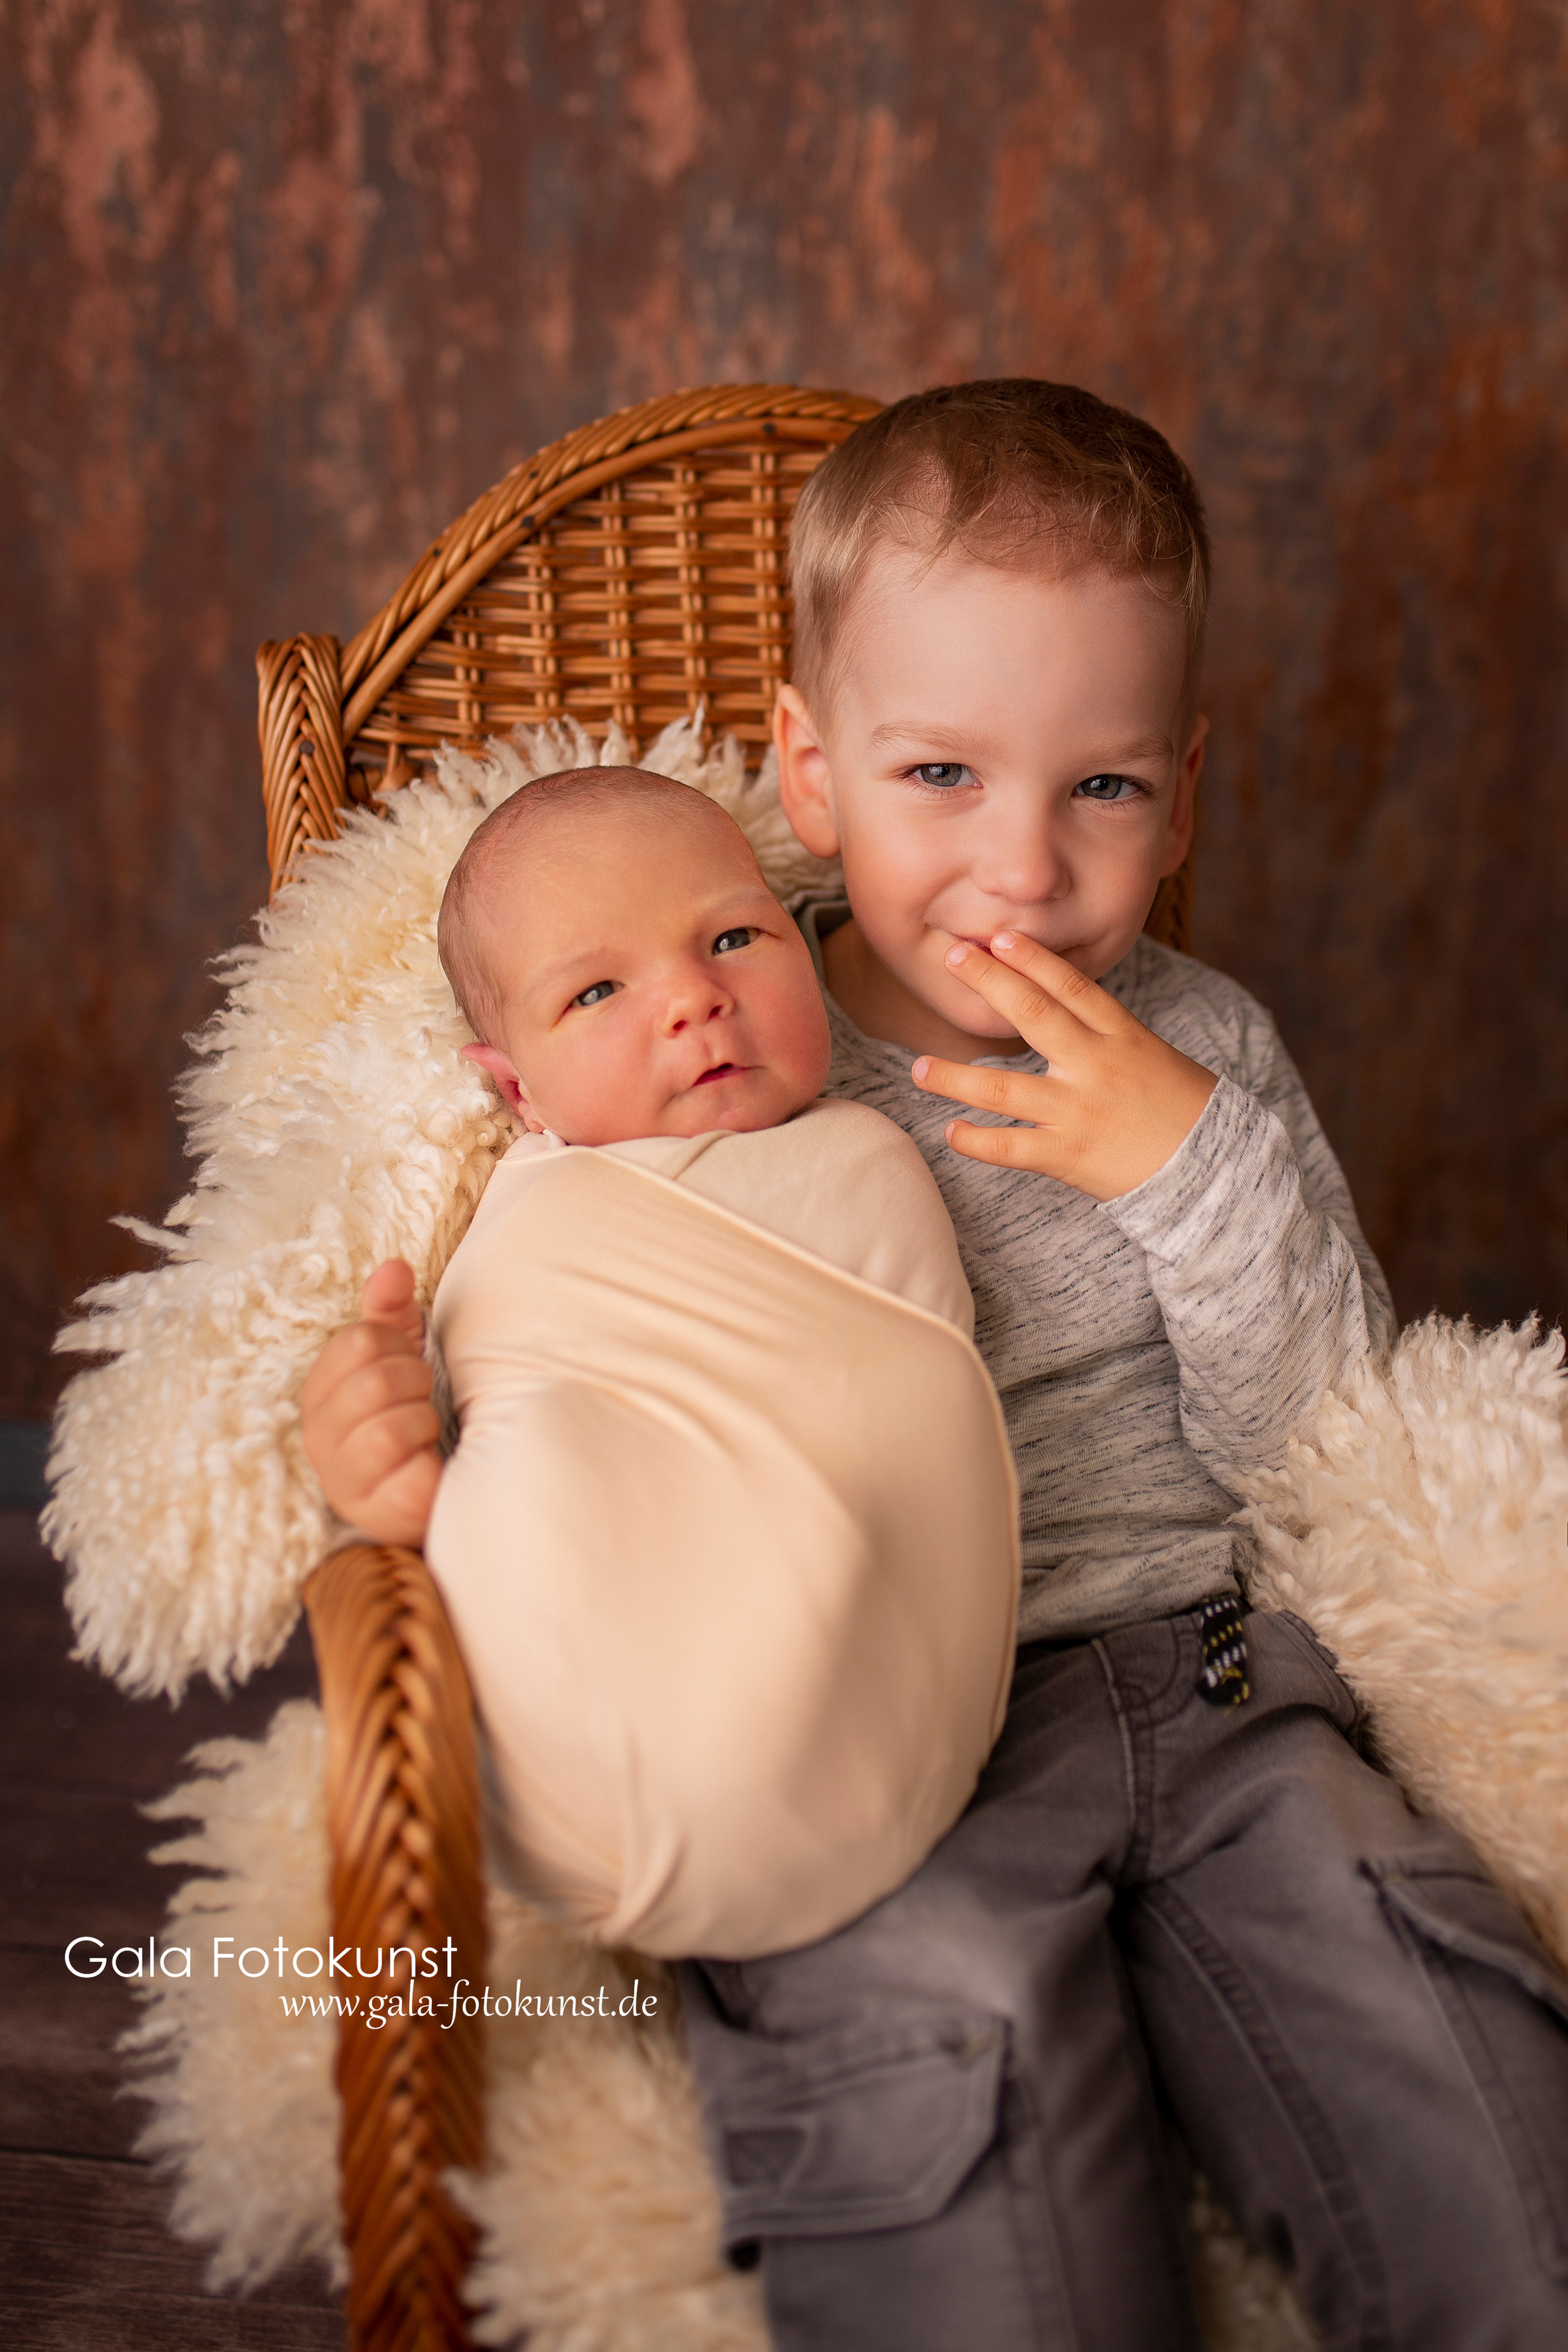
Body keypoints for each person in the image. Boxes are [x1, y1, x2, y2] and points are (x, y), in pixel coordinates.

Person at [303, 382, 1568, 2351]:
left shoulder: (1206, 1053)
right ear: (810, 774)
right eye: (942, 778)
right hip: (895, 1743)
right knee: (943, 2046)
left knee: (1439, 2032)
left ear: (1187, 786)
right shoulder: (695, 1011)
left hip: (1223, 1690)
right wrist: (400, 1464)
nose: (1026, 868)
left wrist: (1188, 1174)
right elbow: (592, 1370)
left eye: (1107, 790)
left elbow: (1340, 1444)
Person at [314, 762, 1019, 1962]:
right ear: (516, 1090)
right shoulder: (522, 1203)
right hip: (582, 1741)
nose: (693, 998)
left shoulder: (873, 1151)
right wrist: (374, 1470)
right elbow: (502, 1404)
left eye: (734, 936)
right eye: (594, 990)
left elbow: (890, 1435)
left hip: (884, 1742)